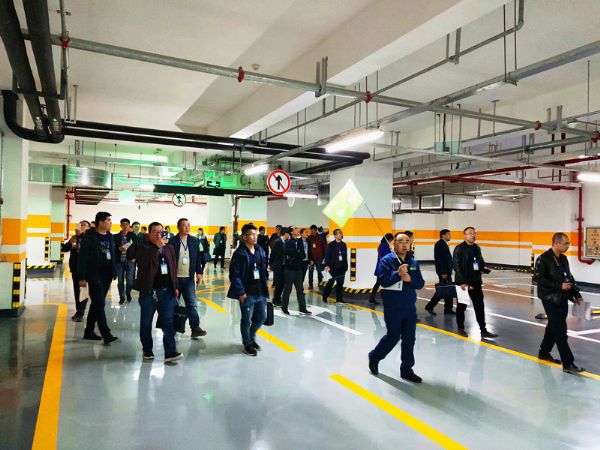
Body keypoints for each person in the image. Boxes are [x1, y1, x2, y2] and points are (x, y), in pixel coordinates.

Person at [368, 232, 425, 383]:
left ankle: (406, 370)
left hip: (409, 307)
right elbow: (384, 281)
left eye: (407, 241)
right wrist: (398, 274)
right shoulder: (387, 261)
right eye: (400, 241)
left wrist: (410, 279)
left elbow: (420, 283)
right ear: (394, 244)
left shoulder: (413, 263)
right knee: (393, 336)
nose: (404, 244)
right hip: (393, 307)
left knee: (409, 339)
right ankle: (374, 356)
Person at [534, 233, 585, 374]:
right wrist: (559, 286)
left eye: (568, 243)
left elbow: (569, 278)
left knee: (553, 326)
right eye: (565, 243)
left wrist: (576, 294)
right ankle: (568, 363)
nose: (568, 246)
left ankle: (544, 352)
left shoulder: (563, 259)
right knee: (561, 331)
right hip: (550, 298)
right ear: (556, 243)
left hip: (562, 298)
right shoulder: (543, 259)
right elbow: (539, 279)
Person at [133, 222, 183, 363]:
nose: (159, 234)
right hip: (149, 292)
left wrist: (175, 286)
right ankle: (147, 350)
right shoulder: (143, 247)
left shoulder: (169, 248)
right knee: (146, 322)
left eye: (161, 231)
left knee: (168, 322)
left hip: (167, 292)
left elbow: (173, 267)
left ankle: (170, 352)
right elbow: (144, 264)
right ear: (149, 234)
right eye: (155, 231)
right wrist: (156, 247)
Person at [227, 223, 269, 356]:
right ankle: (247, 343)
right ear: (244, 237)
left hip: (260, 291)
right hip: (247, 293)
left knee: (262, 317)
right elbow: (234, 275)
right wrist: (240, 292)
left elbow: (263, 269)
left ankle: (250, 336)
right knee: (246, 319)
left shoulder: (260, 250)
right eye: (252, 234)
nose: (255, 237)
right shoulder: (239, 254)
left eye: (256, 234)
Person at [77, 212, 119, 345]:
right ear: (100, 222)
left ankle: (89, 331)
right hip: (94, 274)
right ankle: (106, 334)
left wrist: (114, 271)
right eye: (108, 220)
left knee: (97, 303)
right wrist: (82, 277)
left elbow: (112, 254)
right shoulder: (89, 237)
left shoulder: (110, 236)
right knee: (100, 303)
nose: (110, 222)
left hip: (107, 274)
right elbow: (82, 257)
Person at [453, 227, 498, 339]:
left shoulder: (477, 248)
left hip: (476, 282)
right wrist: (462, 282)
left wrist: (483, 268)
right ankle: (460, 328)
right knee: (461, 307)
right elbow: (457, 266)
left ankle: (483, 330)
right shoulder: (459, 249)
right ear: (464, 235)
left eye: (474, 233)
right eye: (470, 233)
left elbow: (480, 261)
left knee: (479, 306)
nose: (472, 235)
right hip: (463, 284)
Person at [169, 218, 207, 339]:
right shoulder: (172, 241)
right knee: (173, 304)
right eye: (184, 225)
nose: (187, 227)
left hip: (189, 279)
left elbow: (198, 257)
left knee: (191, 304)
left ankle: (195, 328)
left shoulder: (194, 240)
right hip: (175, 279)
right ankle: (173, 328)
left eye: (188, 225)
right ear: (178, 227)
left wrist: (199, 272)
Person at [62, 220, 91, 321]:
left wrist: (81, 236)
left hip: (86, 270)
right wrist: (70, 243)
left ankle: (80, 313)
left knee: (83, 291)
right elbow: (64, 249)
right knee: (77, 291)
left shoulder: (90, 238)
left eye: (84, 225)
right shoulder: (74, 238)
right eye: (80, 225)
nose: (81, 226)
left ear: (88, 228)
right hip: (75, 269)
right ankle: (79, 311)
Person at [281, 226, 312, 315]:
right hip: (290, 269)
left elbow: (303, 255)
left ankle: (302, 308)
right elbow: (290, 254)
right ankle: (284, 308)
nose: (297, 230)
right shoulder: (288, 243)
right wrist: (297, 254)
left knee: (300, 290)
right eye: (295, 229)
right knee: (288, 289)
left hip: (298, 269)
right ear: (291, 232)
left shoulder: (299, 242)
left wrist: (296, 255)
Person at [425, 229, 455, 315]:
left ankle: (448, 309)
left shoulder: (443, 244)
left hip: (446, 271)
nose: (450, 236)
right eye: (448, 234)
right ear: (443, 235)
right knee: (442, 290)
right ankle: (430, 306)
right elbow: (440, 260)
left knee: (448, 289)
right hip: (444, 272)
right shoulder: (440, 244)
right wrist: (443, 272)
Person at [323, 228, 348, 303]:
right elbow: (327, 256)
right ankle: (325, 296)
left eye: (341, 233)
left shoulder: (344, 245)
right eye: (339, 233)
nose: (341, 234)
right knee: (330, 284)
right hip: (333, 268)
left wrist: (346, 266)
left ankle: (339, 299)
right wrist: (327, 265)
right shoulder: (330, 245)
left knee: (340, 285)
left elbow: (345, 256)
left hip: (342, 268)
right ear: (335, 235)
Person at [115, 218, 137, 304]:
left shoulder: (134, 236)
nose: (125, 226)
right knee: (120, 281)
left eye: (126, 224)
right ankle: (122, 297)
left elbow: (138, 248)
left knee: (130, 281)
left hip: (130, 261)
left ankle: (128, 293)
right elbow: (112, 249)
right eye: (123, 224)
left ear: (129, 226)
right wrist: (118, 249)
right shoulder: (116, 236)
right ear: (120, 225)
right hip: (119, 262)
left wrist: (135, 258)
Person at [370, 233, 394, 305]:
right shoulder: (385, 246)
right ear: (389, 239)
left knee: (378, 283)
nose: (391, 242)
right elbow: (387, 257)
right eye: (391, 240)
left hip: (380, 266)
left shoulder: (381, 245)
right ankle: (374, 298)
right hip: (384, 268)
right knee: (382, 283)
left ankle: (372, 298)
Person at [270, 227, 289, 307]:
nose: (289, 235)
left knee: (282, 283)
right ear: (285, 233)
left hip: (284, 266)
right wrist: (271, 265)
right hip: (278, 266)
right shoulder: (277, 242)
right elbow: (273, 254)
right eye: (288, 233)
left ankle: (278, 298)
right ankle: (276, 300)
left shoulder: (285, 242)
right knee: (278, 284)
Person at [307, 224, 326, 289]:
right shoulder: (309, 238)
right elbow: (308, 249)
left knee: (319, 272)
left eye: (312, 230)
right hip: (311, 259)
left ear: (316, 230)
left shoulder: (321, 238)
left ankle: (320, 284)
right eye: (310, 231)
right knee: (310, 272)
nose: (311, 232)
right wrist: (309, 258)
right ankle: (310, 285)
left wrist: (324, 258)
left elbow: (325, 248)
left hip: (319, 258)